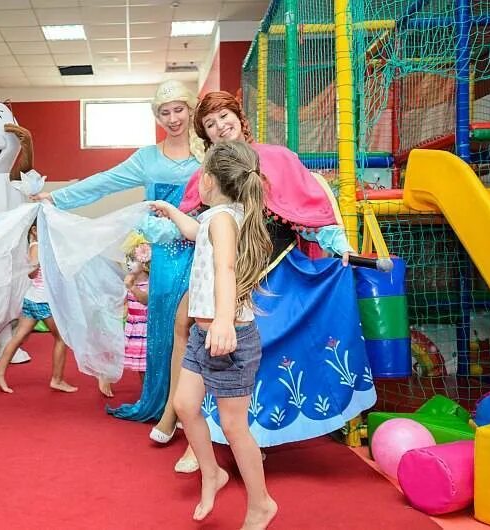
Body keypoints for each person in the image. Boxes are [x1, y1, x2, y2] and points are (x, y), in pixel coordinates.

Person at [149, 92, 374, 473]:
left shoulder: (278, 159)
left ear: (239, 117)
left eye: (224, 116)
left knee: (252, 351)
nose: (220, 126)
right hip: (226, 281)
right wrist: (161, 223)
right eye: (210, 124)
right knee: (201, 341)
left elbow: (307, 212)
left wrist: (339, 244)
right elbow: (194, 224)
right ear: (204, 135)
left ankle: (248, 436)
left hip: (275, 273)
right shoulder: (207, 173)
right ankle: (197, 435)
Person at [32, 80, 204, 428]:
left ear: (191, 110)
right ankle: (166, 403)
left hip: (203, 248)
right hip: (166, 254)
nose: (173, 118)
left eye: (179, 110)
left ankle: (200, 405)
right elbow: (104, 181)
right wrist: (57, 198)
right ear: (157, 116)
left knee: (199, 324)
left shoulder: (208, 152)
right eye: (165, 112)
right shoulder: (147, 158)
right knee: (165, 327)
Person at [152, 141, 277, 526]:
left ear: (207, 180)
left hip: (229, 339)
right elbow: (195, 231)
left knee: (234, 426)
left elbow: (226, 269)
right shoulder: (216, 216)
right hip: (202, 337)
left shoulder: (224, 220)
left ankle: (261, 504)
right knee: (185, 405)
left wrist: (223, 320)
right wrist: (172, 211)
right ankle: (212, 473)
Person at [0, 224, 77, 394]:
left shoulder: (42, 246)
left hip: (32, 298)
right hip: (42, 301)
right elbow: (31, 273)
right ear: (34, 230)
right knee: (61, 339)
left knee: (18, 338)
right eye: (42, 227)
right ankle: (57, 380)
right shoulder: (36, 246)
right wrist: (35, 264)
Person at [98, 233, 151, 398]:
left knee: (144, 364)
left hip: (145, 326)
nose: (128, 263)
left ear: (144, 263)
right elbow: (127, 302)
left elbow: (145, 300)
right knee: (127, 356)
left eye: (133, 260)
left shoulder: (150, 282)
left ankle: (146, 393)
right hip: (132, 325)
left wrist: (132, 287)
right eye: (128, 259)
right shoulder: (129, 281)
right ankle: (106, 377)